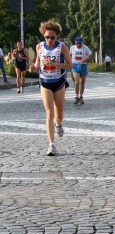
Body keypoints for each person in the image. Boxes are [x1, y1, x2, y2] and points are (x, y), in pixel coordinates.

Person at [29, 21, 72, 156]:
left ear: (57, 37)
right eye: (47, 37)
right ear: (44, 36)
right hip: (45, 82)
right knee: (49, 113)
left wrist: (54, 63)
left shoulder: (62, 47)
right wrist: (34, 67)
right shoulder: (39, 47)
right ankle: (51, 145)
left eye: (52, 37)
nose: (49, 40)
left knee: (58, 116)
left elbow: (70, 65)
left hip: (59, 82)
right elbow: (37, 62)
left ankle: (58, 125)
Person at [70, 37, 93, 104]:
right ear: (75, 42)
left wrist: (87, 59)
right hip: (75, 65)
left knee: (82, 83)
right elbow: (69, 55)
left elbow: (91, 56)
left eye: (80, 43)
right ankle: (76, 97)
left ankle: (81, 96)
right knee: (77, 82)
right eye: (78, 43)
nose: (79, 45)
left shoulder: (85, 48)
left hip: (83, 65)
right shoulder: (72, 48)